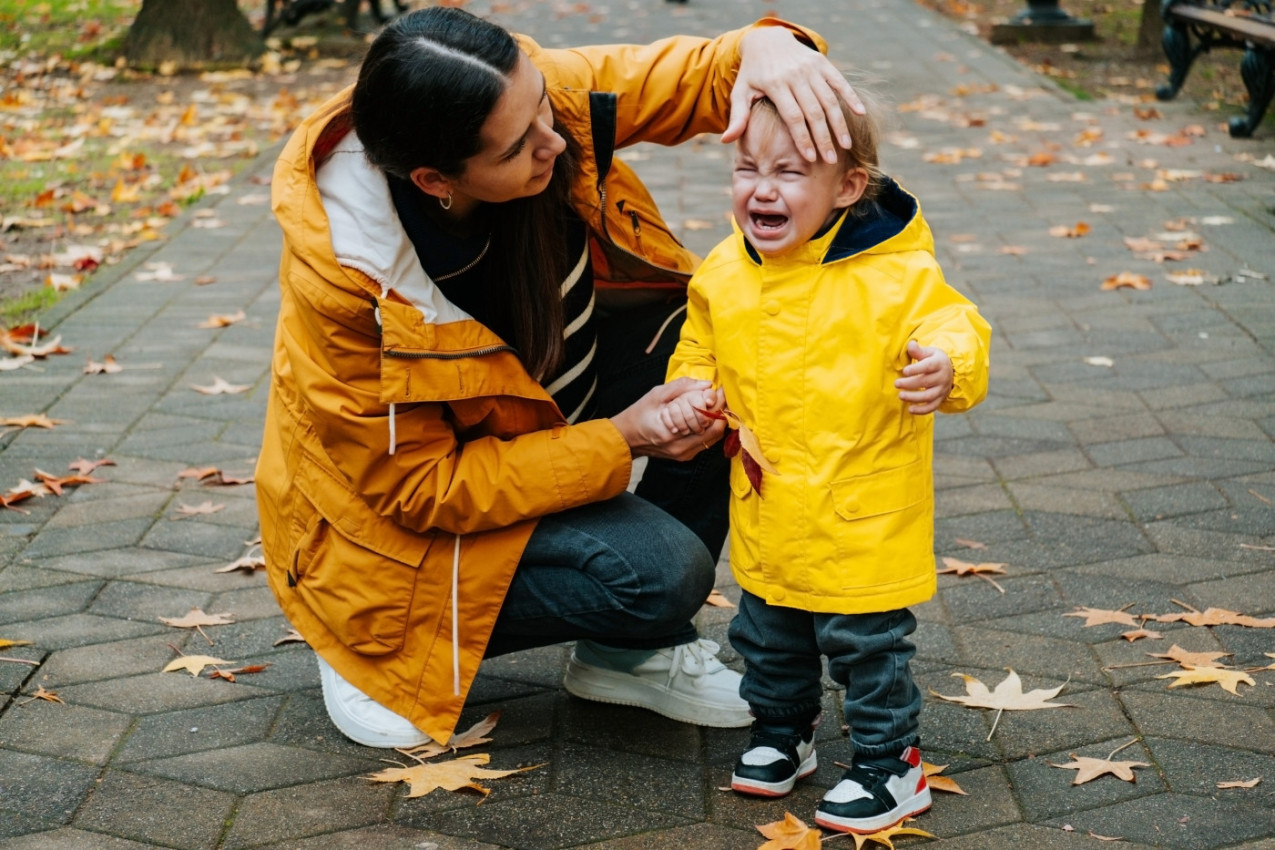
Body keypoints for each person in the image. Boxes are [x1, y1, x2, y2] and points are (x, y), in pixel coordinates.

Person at [255, 6, 862, 750]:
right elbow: (423, 489)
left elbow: (699, 76)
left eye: (544, 105)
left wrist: (769, 46)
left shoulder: (527, 102)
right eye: (519, 147)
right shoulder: (354, 286)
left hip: (532, 423)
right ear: (434, 179)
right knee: (658, 575)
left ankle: (627, 655)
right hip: (389, 535)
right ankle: (370, 647)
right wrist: (623, 439)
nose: (555, 140)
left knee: (726, 363)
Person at [663, 94, 991, 833]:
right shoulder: (723, 268)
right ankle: (784, 732)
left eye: (788, 171)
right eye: (747, 168)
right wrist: (690, 387)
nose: (762, 188)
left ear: (847, 187)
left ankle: (888, 763)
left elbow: (954, 324)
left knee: (866, 647)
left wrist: (947, 366)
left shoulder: (895, 273)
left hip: (859, 513)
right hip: (768, 506)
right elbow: (699, 342)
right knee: (765, 631)